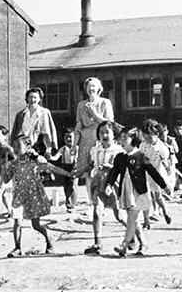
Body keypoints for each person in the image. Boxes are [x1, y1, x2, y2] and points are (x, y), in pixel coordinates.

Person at [3, 135, 72, 257]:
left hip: (34, 195)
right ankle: (17, 248)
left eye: (19, 146)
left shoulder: (35, 161)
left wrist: (68, 174)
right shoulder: (13, 164)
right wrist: (4, 166)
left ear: (28, 147)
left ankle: (49, 241)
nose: (16, 149)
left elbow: (51, 167)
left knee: (36, 225)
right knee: (17, 221)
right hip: (19, 196)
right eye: (14, 146)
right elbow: (6, 180)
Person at [105, 126, 169, 257]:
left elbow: (153, 172)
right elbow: (113, 172)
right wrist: (108, 184)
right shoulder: (120, 157)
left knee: (132, 218)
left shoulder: (141, 156)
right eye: (120, 138)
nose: (121, 141)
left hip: (139, 192)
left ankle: (124, 244)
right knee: (132, 219)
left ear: (133, 139)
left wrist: (164, 186)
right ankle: (143, 244)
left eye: (125, 138)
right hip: (126, 191)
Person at [75, 121, 125, 255]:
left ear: (114, 134)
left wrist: (110, 167)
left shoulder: (118, 150)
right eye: (101, 132)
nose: (104, 135)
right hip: (98, 183)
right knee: (96, 211)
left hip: (113, 184)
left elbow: (122, 169)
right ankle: (98, 243)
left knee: (119, 216)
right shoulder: (95, 149)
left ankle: (134, 236)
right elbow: (91, 164)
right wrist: (80, 171)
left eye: (107, 132)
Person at [72, 77, 114, 206]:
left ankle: (106, 200)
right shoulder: (81, 105)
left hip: (101, 139)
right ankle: (92, 202)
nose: (91, 89)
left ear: (99, 89)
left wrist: (94, 114)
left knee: (102, 170)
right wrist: (74, 144)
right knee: (88, 173)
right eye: (89, 86)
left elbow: (110, 123)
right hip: (86, 141)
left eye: (94, 86)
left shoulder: (105, 102)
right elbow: (79, 126)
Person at [140, 120, 172, 227]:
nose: (147, 140)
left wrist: (166, 164)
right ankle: (147, 221)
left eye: (150, 137)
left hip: (156, 173)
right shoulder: (143, 145)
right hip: (145, 173)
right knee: (146, 197)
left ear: (157, 135)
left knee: (158, 197)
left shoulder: (161, 147)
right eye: (145, 137)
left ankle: (165, 211)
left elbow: (165, 159)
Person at [11, 87, 58, 158]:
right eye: (30, 97)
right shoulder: (21, 114)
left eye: (35, 97)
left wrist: (49, 150)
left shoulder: (44, 112)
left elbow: (48, 132)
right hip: (24, 148)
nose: (32, 100)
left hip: (39, 147)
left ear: (39, 99)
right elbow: (15, 132)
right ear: (27, 99)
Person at [49, 128, 77, 212]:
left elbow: (79, 159)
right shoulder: (63, 148)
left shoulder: (77, 148)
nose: (68, 139)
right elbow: (56, 157)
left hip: (74, 168)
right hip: (65, 168)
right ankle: (68, 203)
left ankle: (73, 205)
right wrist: (50, 157)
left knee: (73, 186)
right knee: (66, 186)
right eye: (66, 137)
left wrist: (77, 167)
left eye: (70, 137)